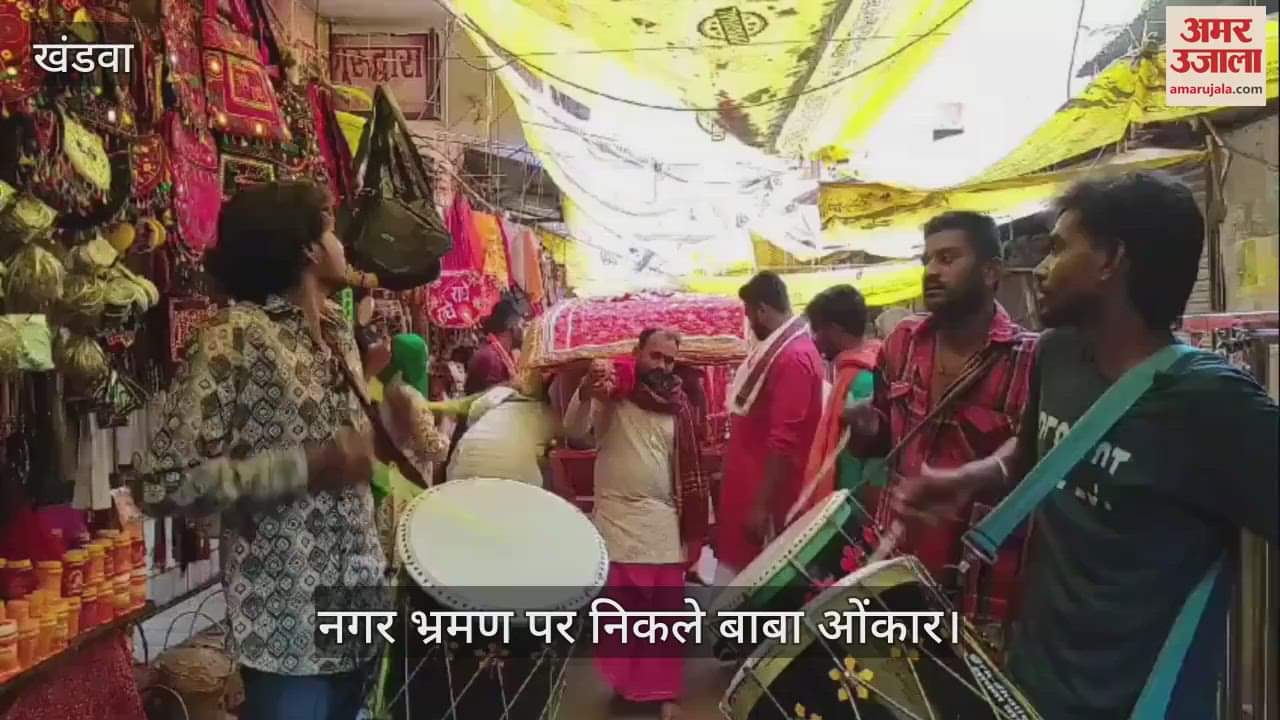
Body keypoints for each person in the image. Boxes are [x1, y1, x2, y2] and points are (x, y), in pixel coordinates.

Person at [890, 173, 1278, 718]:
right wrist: (967, 480)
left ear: (1110, 260)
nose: (1042, 269)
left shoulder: (1211, 403)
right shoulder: (1057, 355)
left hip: (1135, 701)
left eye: (1057, 248)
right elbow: (1032, 459)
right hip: (1032, 684)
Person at [136, 181, 385, 720]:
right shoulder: (235, 336)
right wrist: (302, 468)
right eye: (331, 229)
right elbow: (161, 484)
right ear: (307, 248)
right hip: (285, 620)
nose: (343, 245)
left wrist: (393, 429)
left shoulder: (341, 335)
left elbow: (351, 458)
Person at [845, 211, 1037, 591]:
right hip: (891, 557)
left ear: (990, 271)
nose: (931, 271)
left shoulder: (1028, 359)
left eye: (947, 259)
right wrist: (866, 428)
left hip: (974, 577)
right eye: (927, 260)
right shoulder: (901, 342)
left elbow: (1030, 463)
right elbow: (884, 442)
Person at [563, 329, 710, 720]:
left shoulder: (678, 405)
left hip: (662, 517)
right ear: (636, 353)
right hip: (617, 515)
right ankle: (626, 686)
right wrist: (584, 391)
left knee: (664, 613)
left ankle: (662, 693)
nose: (661, 365)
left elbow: (685, 469)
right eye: (655, 356)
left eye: (669, 359)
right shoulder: (613, 393)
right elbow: (574, 433)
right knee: (620, 612)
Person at [716, 272, 824, 582]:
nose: (750, 325)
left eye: (750, 316)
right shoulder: (787, 351)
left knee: (755, 593)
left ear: (762, 310)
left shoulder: (793, 357)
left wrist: (761, 507)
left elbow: (784, 439)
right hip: (751, 490)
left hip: (766, 500)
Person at [796, 285, 884, 512]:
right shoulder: (853, 372)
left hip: (853, 507)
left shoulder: (863, 379)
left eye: (817, 330)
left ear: (834, 330)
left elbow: (875, 461)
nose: (815, 339)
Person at [444, 383, 562, 488]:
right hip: (517, 483)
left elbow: (473, 413)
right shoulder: (549, 416)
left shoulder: (499, 394)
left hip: (462, 472)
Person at [466, 299, 523, 395]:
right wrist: (513, 384)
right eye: (521, 325)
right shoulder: (491, 356)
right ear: (512, 327)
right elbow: (490, 397)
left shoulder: (502, 353)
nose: (523, 330)